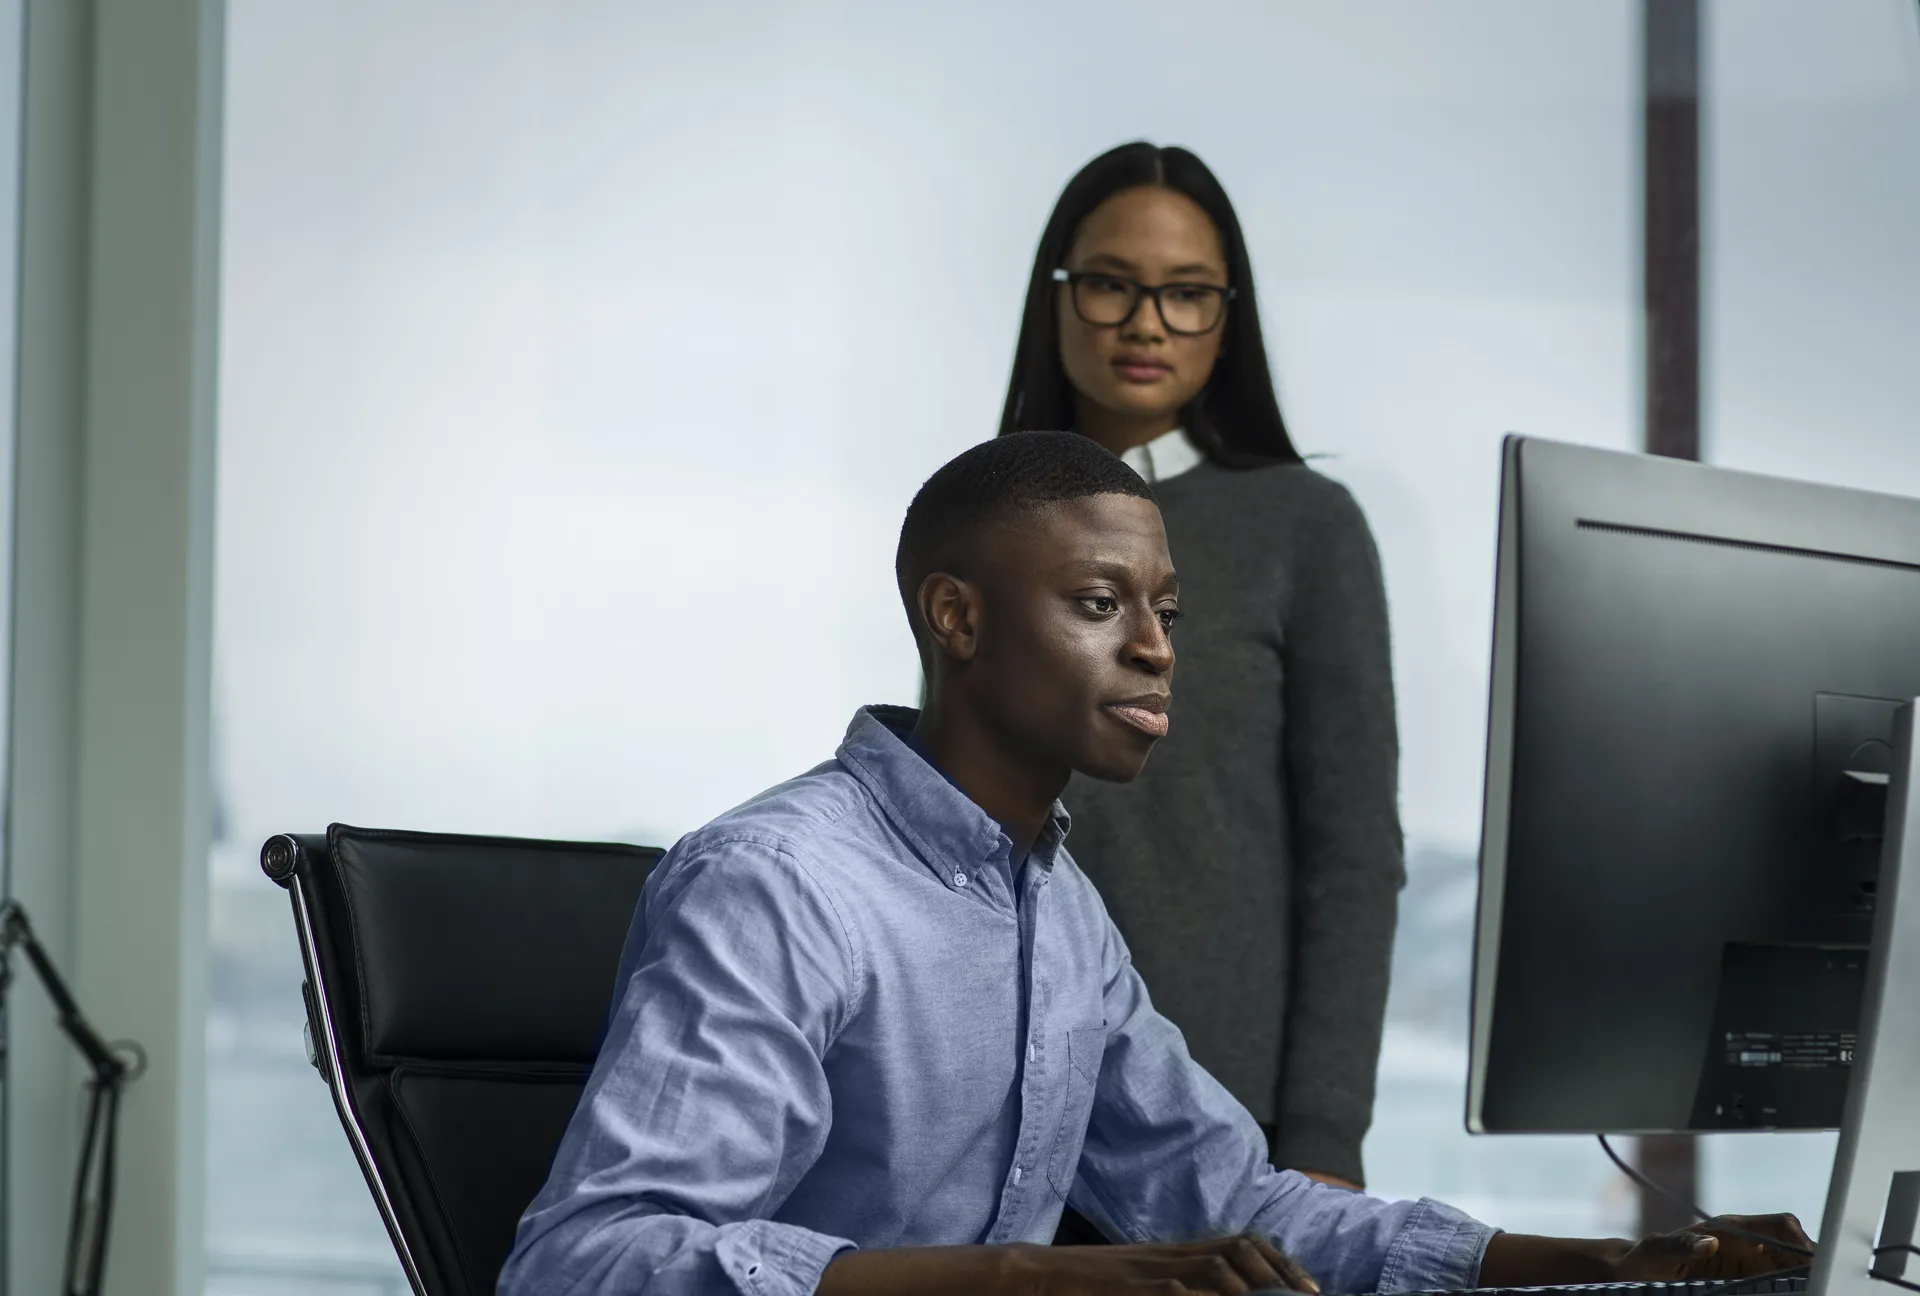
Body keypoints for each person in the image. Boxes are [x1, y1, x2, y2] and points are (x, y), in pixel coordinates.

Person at [497, 432, 1811, 1296]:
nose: (1156, 647)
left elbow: (1240, 1204)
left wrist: (1626, 1263)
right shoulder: (778, 888)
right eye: (1095, 604)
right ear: (956, 619)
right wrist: (1029, 1280)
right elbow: (588, 1263)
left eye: (1167, 612)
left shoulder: (1058, 913)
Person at [1000, 142, 1398, 1191]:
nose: (1145, 322)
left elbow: (1353, 856)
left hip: (1227, 1112)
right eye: (1110, 286)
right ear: (1057, 295)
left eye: (1186, 294)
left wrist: (1323, 1138)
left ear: (1230, 317)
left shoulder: (1304, 526)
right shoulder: (983, 520)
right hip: (992, 1099)